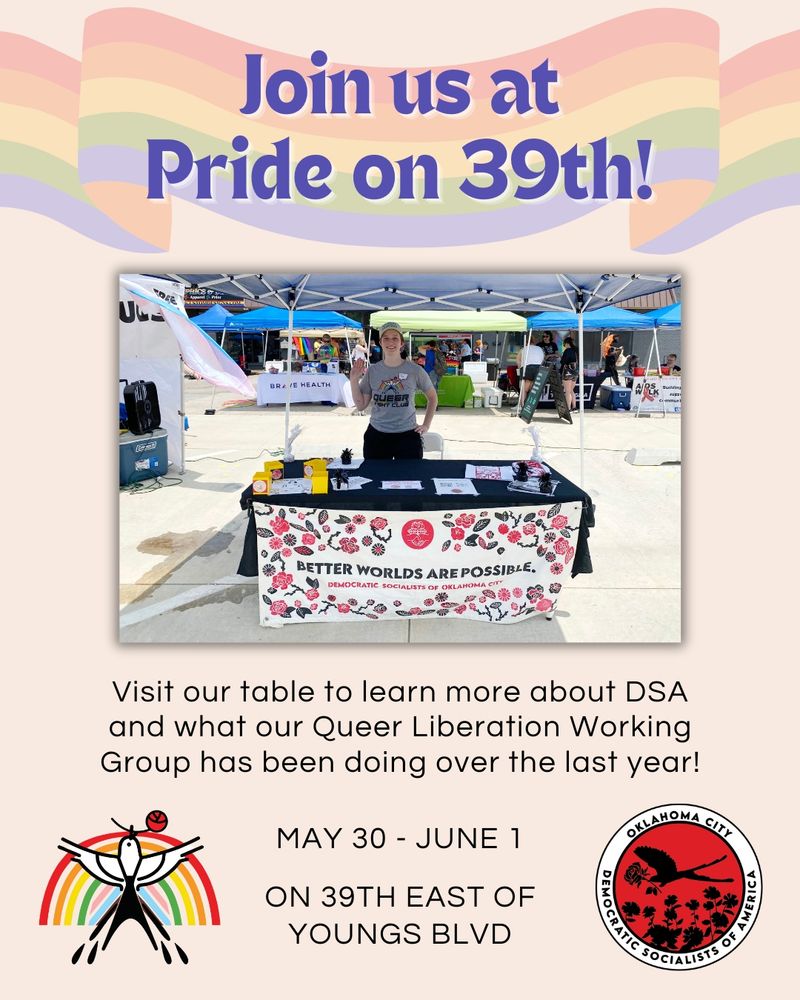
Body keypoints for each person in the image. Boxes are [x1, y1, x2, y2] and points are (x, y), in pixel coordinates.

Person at [350, 322, 438, 460]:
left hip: (408, 436)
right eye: (386, 338)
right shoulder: (372, 371)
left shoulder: (415, 370)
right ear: (380, 343)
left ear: (401, 343)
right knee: (376, 474)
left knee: (409, 474)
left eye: (395, 338)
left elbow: (432, 397)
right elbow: (361, 405)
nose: (390, 342)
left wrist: (426, 425)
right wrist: (354, 380)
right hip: (377, 436)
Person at [517, 336, 545, 409]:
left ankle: (522, 406)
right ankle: (531, 407)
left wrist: (520, 369)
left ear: (526, 342)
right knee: (533, 389)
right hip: (538, 369)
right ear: (534, 342)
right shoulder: (540, 349)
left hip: (527, 369)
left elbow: (518, 361)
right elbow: (542, 360)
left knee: (524, 389)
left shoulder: (523, 349)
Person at [560, 336, 579, 411]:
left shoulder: (567, 351)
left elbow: (563, 362)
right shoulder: (576, 350)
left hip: (567, 372)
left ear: (567, 343)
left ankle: (568, 408)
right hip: (575, 372)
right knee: (571, 390)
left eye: (564, 344)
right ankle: (574, 407)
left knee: (567, 391)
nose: (564, 346)